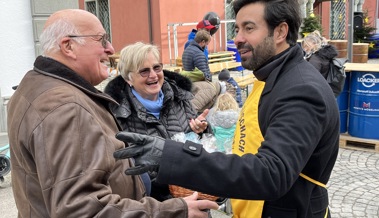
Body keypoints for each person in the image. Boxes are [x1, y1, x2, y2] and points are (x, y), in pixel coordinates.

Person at [113, 0, 340, 217]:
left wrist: (171, 157)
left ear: (280, 32)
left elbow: (272, 173)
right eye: (238, 29)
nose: (237, 38)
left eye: (248, 28)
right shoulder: (271, 78)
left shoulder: (300, 89)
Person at [6, 9, 217, 218]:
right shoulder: (66, 106)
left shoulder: (36, 86)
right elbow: (82, 209)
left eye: (157, 67)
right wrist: (173, 210)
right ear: (68, 46)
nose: (110, 48)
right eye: (101, 40)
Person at [104, 41, 210, 202]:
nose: (153, 75)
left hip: (195, 194)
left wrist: (202, 131)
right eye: (144, 71)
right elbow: (124, 171)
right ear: (128, 78)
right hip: (156, 205)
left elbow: (202, 145)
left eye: (157, 67)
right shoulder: (117, 114)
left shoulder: (180, 97)